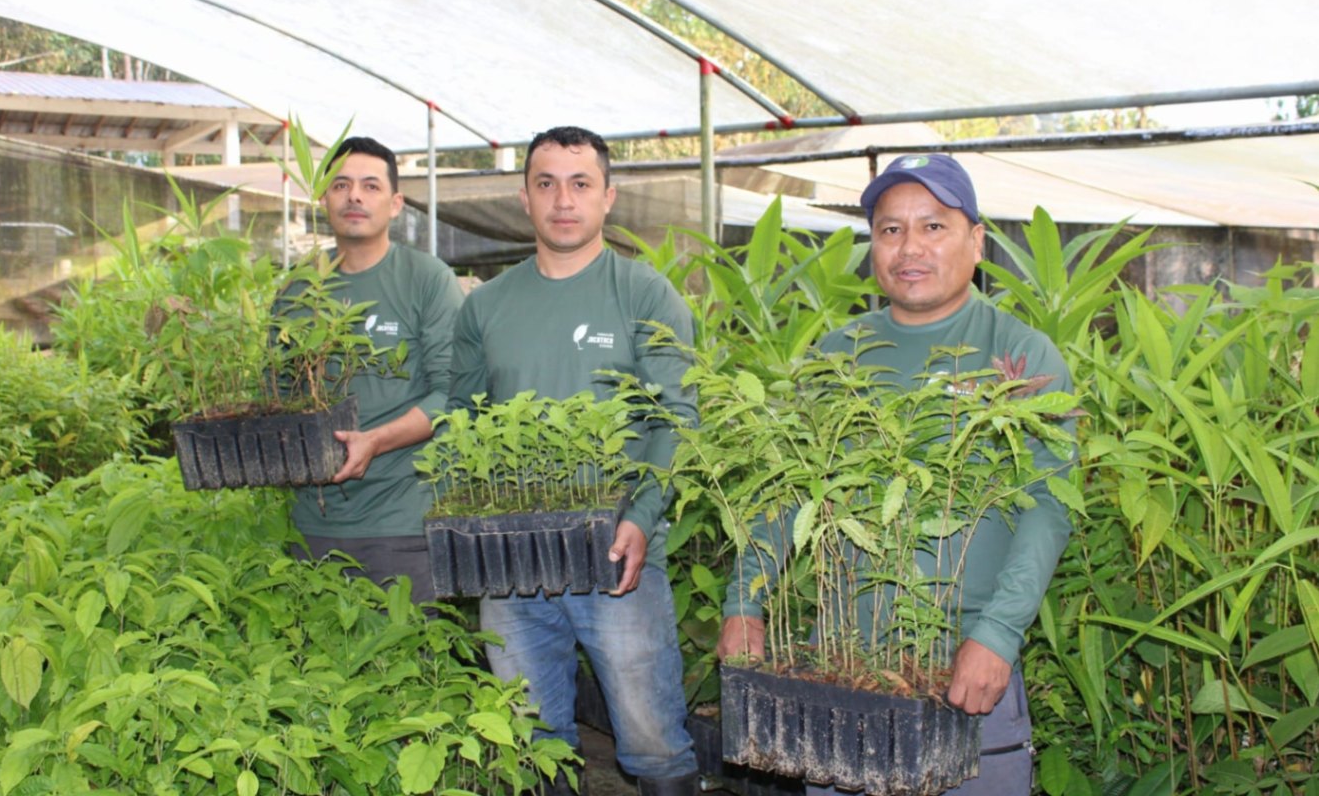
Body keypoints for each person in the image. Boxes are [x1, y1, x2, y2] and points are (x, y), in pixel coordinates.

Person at [718, 153, 1076, 796]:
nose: (909, 246)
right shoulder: (836, 357)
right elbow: (785, 493)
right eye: (889, 229)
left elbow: (1048, 508)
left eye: (933, 226)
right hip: (845, 667)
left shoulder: (1019, 355)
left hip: (968, 665)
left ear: (976, 240)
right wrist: (744, 602)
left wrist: (996, 635)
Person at [447, 126, 700, 795]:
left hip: (618, 552)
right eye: (547, 183)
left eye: (581, 183)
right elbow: (462, 422)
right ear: (525, 198)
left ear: (608, 197)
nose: (564, 199)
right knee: (529, 735)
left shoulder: (645, 296)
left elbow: (677, 417)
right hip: (511, 557)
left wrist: (642, 518)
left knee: (651, 738)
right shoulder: (488, 307)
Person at [290, 135, 463, 602]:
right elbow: (278, 394)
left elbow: (453, 394)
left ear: (395, 203)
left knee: (413, 664)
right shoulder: (297, 290)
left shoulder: (427, 280)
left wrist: (376, 441)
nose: (354, 196)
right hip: (312, 521)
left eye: (370, 185)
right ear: (323, 198)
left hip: (403, 522)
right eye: (341, 185)